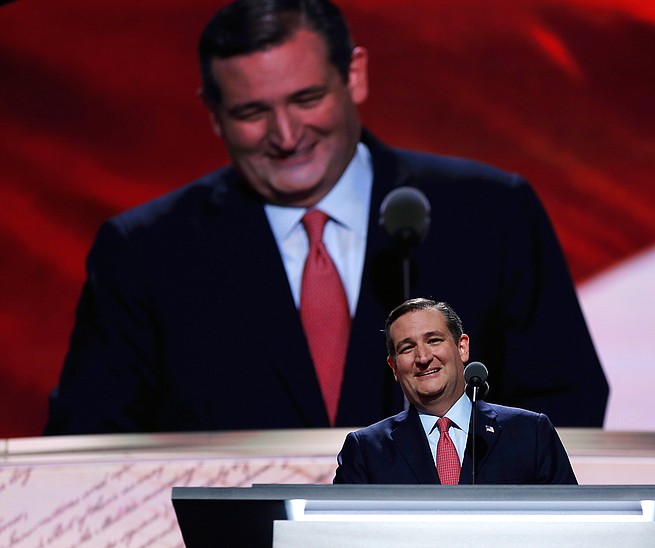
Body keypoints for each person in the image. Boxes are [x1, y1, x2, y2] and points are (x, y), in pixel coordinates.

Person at [44, 0, 607, 435]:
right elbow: (90, 443)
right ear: (213, 115)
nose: (286, 136)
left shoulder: (491, 215)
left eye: (306, 98)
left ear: (354, 75)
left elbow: (565, 405)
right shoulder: (147, 253)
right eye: (251, 112)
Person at [333, 298, 577, 484]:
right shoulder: (365, 451)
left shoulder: (530, 433)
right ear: (394, 367)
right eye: (407, 348)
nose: (423, 357)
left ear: (462, 347)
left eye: (434, 340)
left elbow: (570, 525)